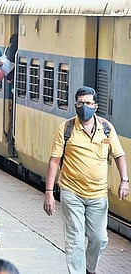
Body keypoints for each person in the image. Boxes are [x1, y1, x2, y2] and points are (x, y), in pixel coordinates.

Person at [43, 86, 128, 274]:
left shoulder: (106, 129)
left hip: (98, 194)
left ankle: (89, 269)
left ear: (95, 106)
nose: (84, 107)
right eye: (80, 103)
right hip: (71, 192)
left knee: (99, 238)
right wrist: (49, 192)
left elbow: (119, 155)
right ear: (75, 104)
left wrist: (125, 180)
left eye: (88, 103)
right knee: (75, 239)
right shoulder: (65, 129)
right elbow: (54, 161)